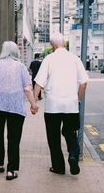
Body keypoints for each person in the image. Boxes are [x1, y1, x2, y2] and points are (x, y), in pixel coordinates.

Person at [33, 32, 88, 175]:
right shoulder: (75, 59)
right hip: (71, 105)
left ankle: (58, 167)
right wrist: (77, 98)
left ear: (52, 46)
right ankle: (73, 155)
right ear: (64, 43)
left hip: (52, 106)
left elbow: (38, 83)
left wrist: (34, 103)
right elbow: (83, 82)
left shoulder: (49, 59)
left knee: (53, 137)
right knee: (70, 133)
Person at [0, 41, 38, 181]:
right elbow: (27, 88)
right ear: (16, 52)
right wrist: (33, 105)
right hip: (16, 108)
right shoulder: (21, 67)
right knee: (14, 138)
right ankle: (11, 170)